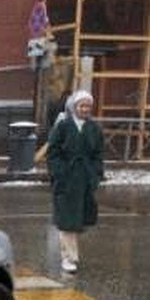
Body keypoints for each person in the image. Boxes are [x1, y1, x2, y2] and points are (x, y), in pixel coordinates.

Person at [46, 89, 103, 273]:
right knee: (66, 220)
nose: (85, 109)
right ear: (74, 106)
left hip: (85, 179)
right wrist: (59, 172)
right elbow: (53, 152)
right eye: (82, 105)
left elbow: (98, 154)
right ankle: (68, 257)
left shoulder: (94, 128)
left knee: (78, 220)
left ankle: (72, 254)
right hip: (66, 179)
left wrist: (95, 175)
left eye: (88, 106)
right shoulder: (63, 126)